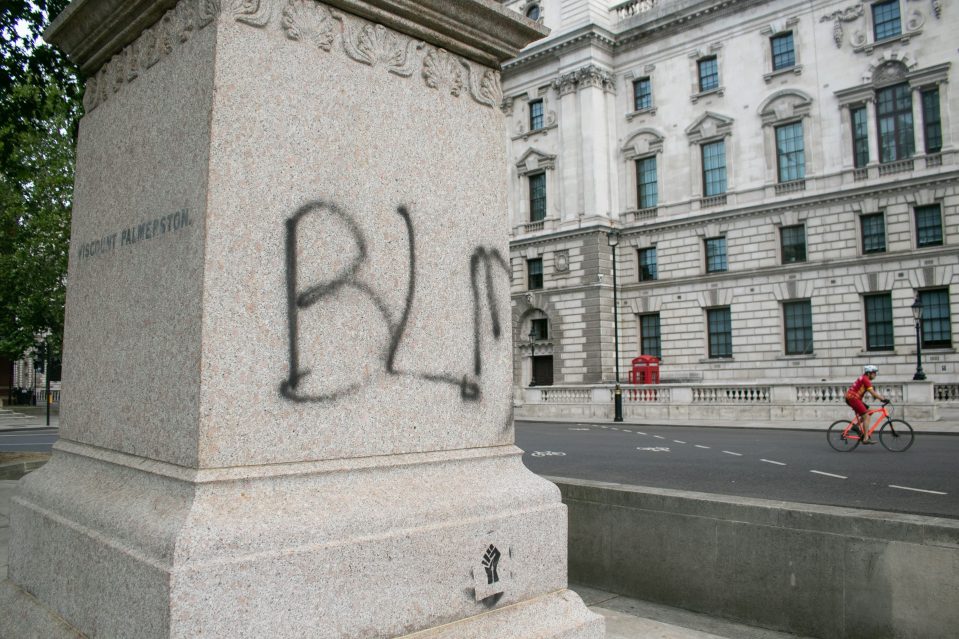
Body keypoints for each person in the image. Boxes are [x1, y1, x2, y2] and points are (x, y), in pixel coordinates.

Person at [845, 365, 886, 444]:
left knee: (869, 412)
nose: (875, 375)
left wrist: (879, 398)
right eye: (873, 373)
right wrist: (883, 399)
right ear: (868, 373)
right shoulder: (865, 380)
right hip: (853, 398)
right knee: (866, 416)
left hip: (853, 398)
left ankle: (856, 426)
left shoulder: (864, 378)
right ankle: (865, 438)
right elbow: (873, 393)